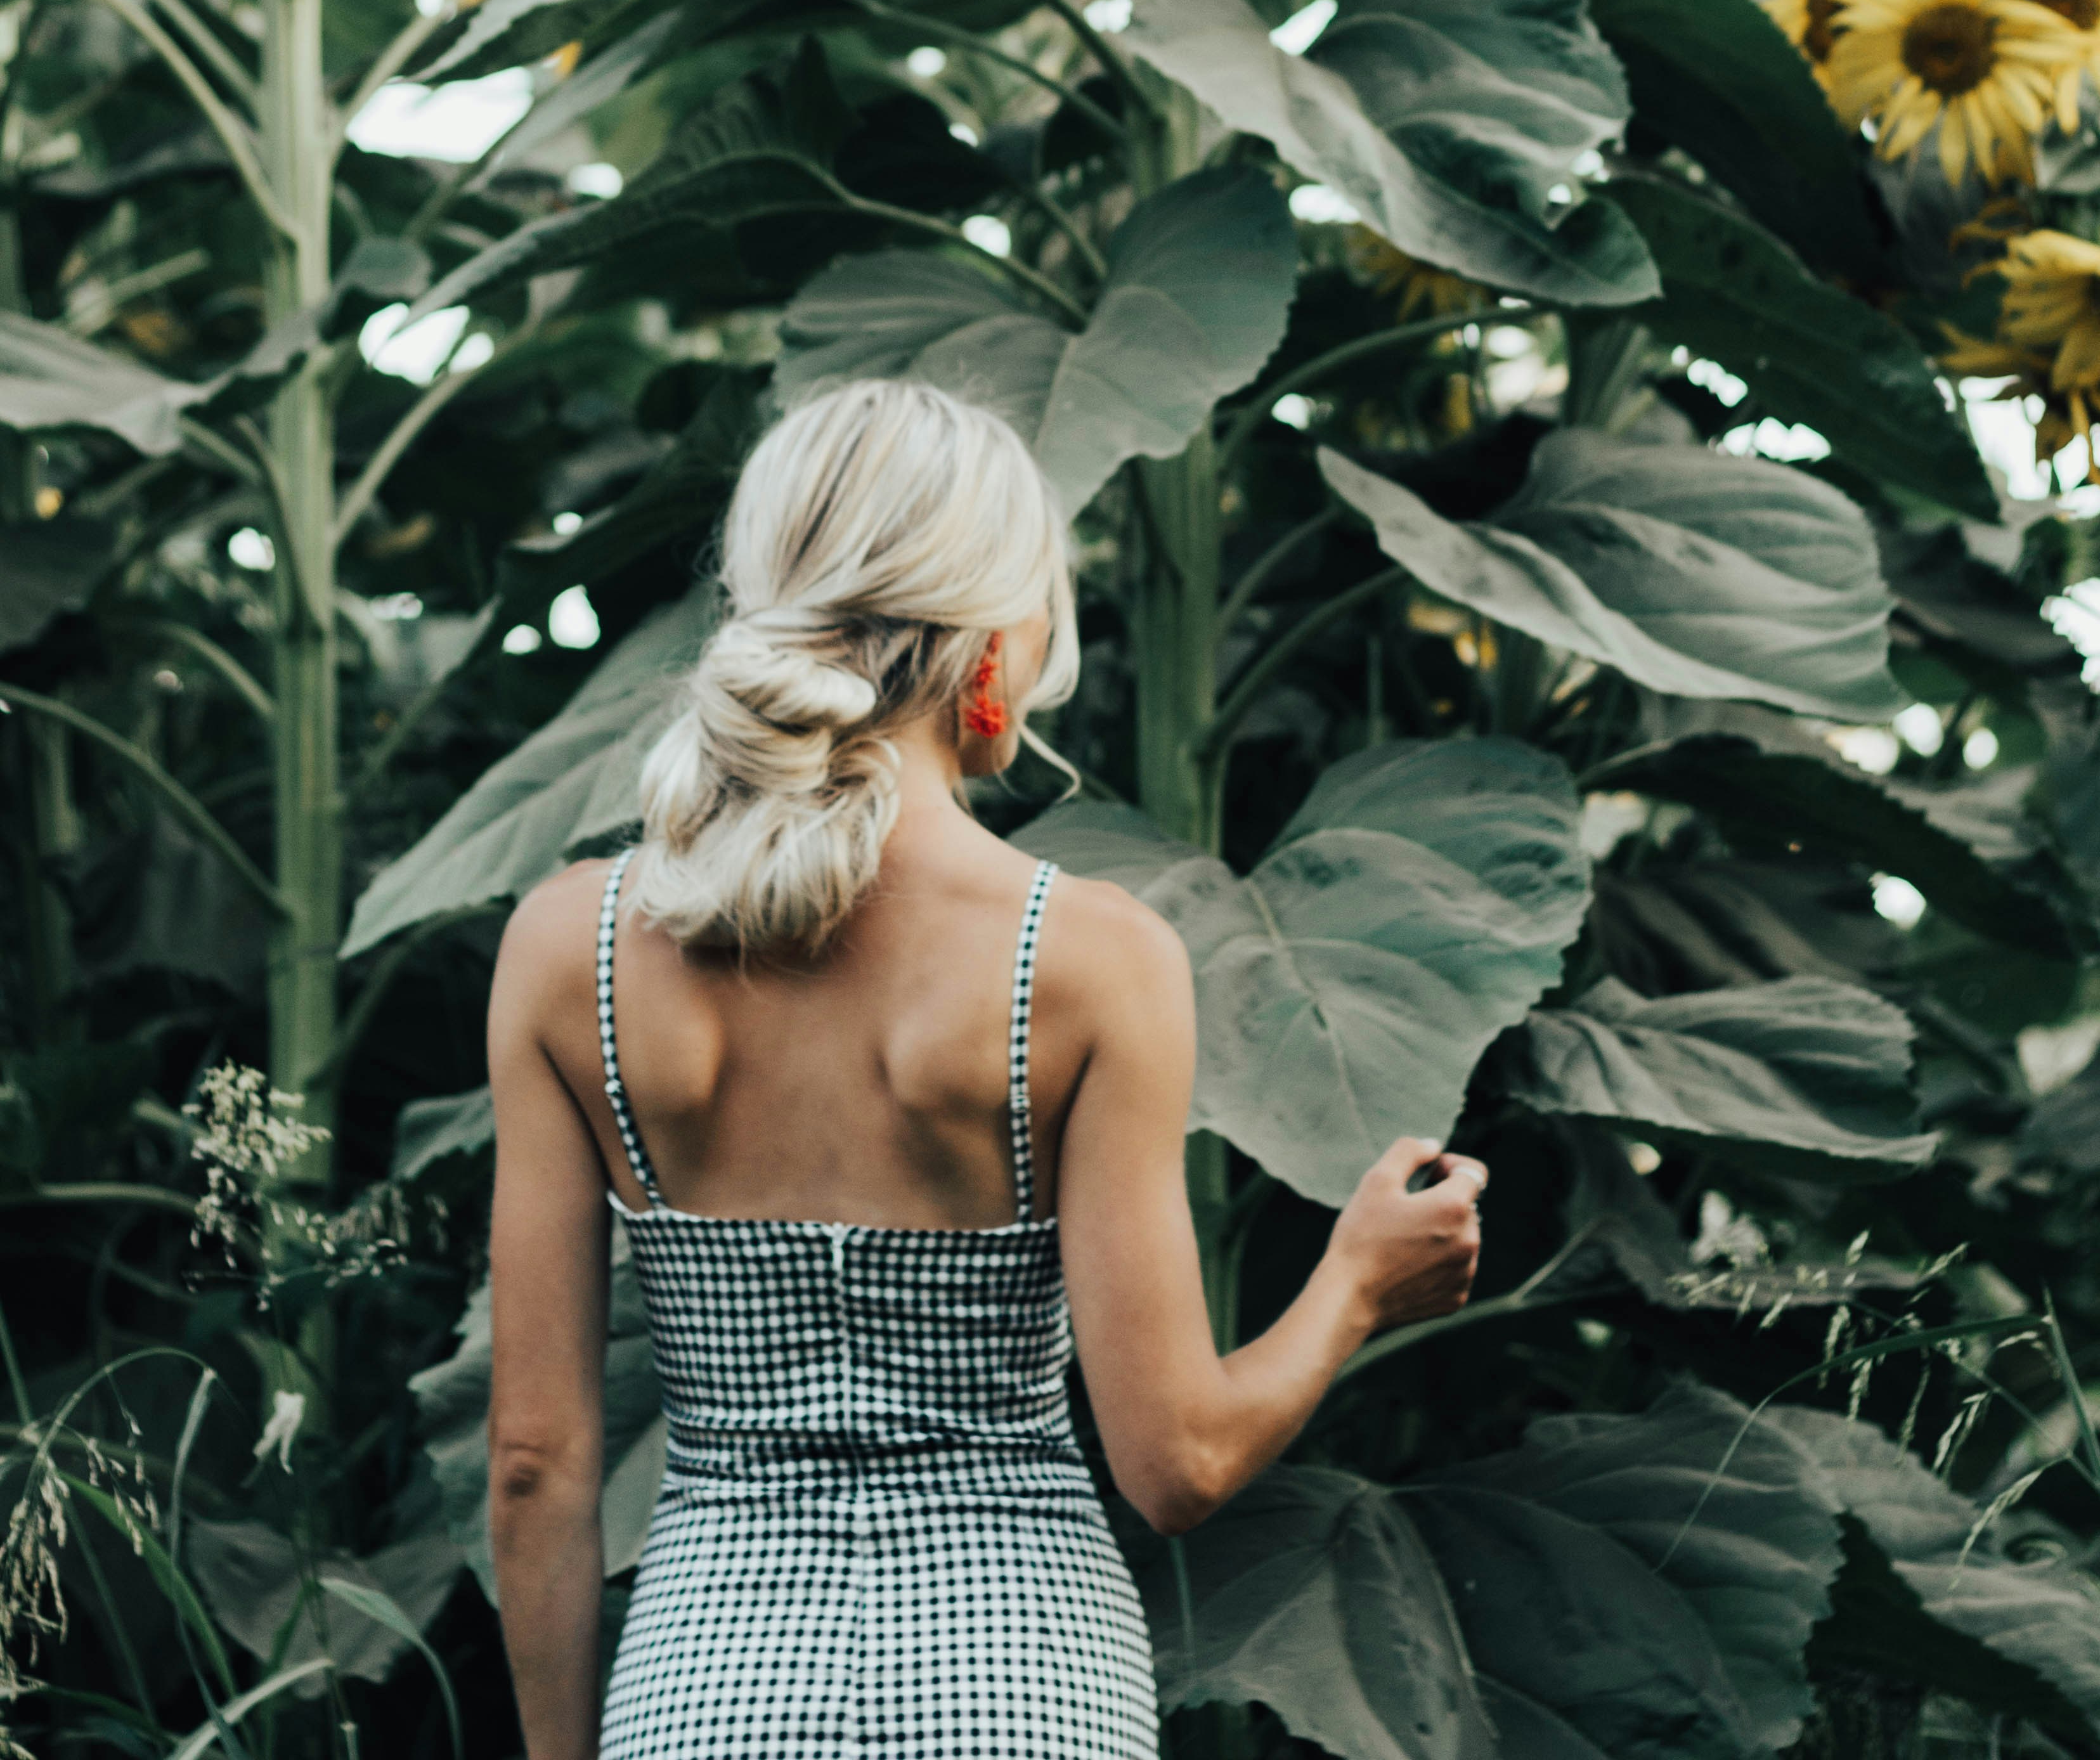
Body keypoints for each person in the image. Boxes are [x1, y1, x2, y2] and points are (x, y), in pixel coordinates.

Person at [487, 377, 1486, 1760]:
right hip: (1024, 1682)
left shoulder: (568, 953)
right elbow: (1180, 1465)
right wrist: (1358, 1283)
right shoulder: (1090, 962)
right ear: (994, 651)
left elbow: (536, 1466)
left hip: (708, 1693)